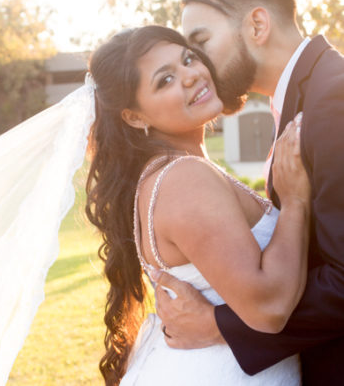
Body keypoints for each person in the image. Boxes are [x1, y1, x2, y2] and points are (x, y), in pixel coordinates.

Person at [85, 25, 310, 385]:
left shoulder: (171, 172)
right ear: (135, 116)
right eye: (165, 80)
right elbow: (269, 307)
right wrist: (296, 201)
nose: (191, 76)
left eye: (188, 58)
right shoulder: (183, 178)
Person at [153, 0, 344, 386]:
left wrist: (220, 325)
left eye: (201, 42)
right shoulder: (306, 95)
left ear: (257, 25)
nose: (197, 66)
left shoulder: (333, 100)